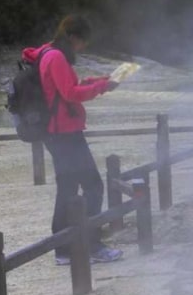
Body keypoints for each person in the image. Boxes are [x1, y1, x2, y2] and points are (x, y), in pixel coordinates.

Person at [21, 15, 124, 264]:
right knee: (93, 186)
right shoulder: (56, 57)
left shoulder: (48, 51)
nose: (82, 47)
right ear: (72, 37)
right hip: (64, 134)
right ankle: (92, 245)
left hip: (57, 133)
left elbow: (68, 86)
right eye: (82, 42)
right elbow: (70, 93)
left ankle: (63, 250)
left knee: (67, 189)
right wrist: (101, 89)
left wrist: (100, 81)